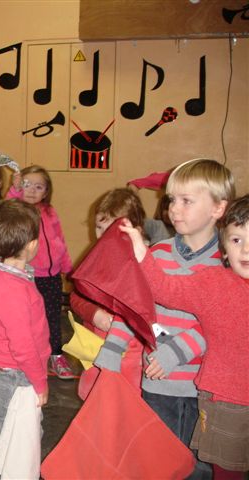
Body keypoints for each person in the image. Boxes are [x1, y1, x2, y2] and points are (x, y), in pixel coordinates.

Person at [95, 158, 235, 479]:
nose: (174, 209)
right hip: (157, 384)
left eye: (187, 201)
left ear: (218, 208)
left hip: (202, 388)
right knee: (156, 459)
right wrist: (113, 349)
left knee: (197, 465)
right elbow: (134, 306)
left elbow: (223, 320)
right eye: (172, 199)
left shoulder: (227, 262)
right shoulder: (156, 254)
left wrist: (177, 352)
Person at [120, 194, 249, 479]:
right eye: (237, 240)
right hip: (227, 401)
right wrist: (141, 251)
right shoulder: (215, 283)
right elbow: (166, 289)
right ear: (224, 248)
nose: (246, 250)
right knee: (227, 470)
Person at [0, 199, 51, 479]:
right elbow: (22, 345)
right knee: (17, 441)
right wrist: (39, 382)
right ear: (32, 245)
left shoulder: (0, 274)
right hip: (17, 374)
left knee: (12, 432)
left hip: (8, 370)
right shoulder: (13, 290)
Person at [70, 188, 146, 399]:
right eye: (99, 228)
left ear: (137, 231)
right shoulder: (93, 258)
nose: (104, 237)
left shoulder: (145, 263)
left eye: (113, 230)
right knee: (94, 399)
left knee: (126, 402)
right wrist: (94, 313)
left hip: (131, 356)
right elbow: (76, 296)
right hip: (96, 348)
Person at [8, 165, 74, 379]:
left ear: (46, 192)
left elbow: (60, 240)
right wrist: (15, 190)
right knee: (28, 319)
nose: (32, 190)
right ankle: (29, 357)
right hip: (28, 275)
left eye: (39, 187)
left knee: (52, 318)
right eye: (27, 185)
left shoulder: (50, 212)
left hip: (52, 276)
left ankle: (56, 355)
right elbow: (6, 206)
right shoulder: (17, 211)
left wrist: (67, 268)